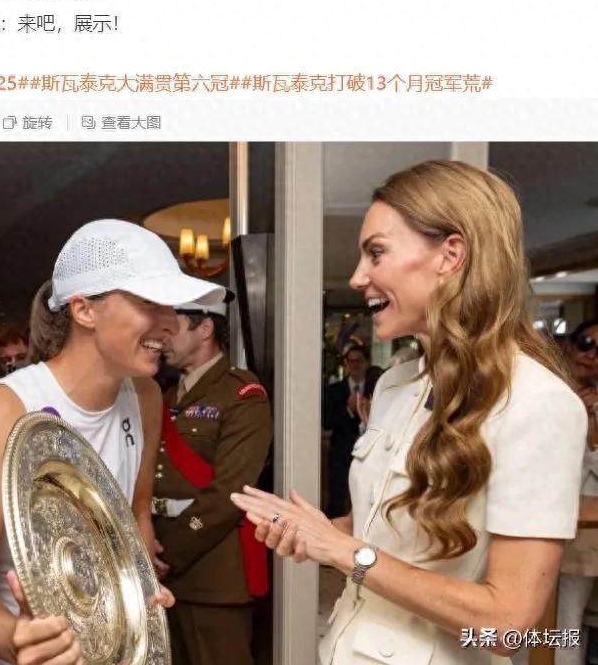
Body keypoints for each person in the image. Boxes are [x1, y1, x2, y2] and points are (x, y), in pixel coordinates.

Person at [231, 160, 587, 664]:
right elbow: (384, 530)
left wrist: (344, 552)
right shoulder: (397, 384)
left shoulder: (538, 403)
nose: (358, 278)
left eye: (376, 253)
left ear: (451, 255)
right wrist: (316, 532)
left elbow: (509, 623)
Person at [0, 219, 225, 665]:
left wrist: (138, 595)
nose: (170, 323)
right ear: (84, 310)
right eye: (149, 303)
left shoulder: (146, 397)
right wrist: (16, 638)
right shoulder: (2, 409)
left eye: (171, 306)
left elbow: (135, 520)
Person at [153, 297, 272, 665]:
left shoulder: (241, 394)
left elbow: (230, 492)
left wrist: (166, 553)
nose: (162, 337)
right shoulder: (166, 395)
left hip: (212, 573)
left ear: (205, 328)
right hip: (163, 571)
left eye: (171, 327)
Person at [556, 318, 598, 665]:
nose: (591, 354)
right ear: (570, 345)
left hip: (583, 534)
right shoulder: (542, 392)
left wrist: (592, 436)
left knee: (568, 625)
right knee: (522, 625)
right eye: (586, 343)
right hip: (527, 523)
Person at [322, 344, 370, 517]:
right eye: (351, 361)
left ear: (366, 363)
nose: (355, 365)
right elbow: (327, 422)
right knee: (337, 500)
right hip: (340, 454)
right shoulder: (334, 390)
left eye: (359, 361)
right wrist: (348, 410)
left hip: (368, 454)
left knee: (366, 500)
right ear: (346, 364)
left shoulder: (376, 388)